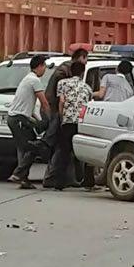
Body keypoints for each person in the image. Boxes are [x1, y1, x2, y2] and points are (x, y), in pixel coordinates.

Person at [42, 48, 89, 188]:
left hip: (64, 118)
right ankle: (81, 180)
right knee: (70, 150)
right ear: (81, 58)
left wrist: (63, 117)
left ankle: (61, 180)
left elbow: (61, 99)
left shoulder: (64, 76)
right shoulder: (80, 83)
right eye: (86, 59)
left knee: (63, 150)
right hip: (66, 117)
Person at [7, 55, 50, 189]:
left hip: (16, 118)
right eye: (45, 66)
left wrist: (37, 120)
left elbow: (28, 106)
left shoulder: (27, 79)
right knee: (33, 146)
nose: (45, 70)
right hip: (19, 119)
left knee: (24, 147)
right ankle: (19, 173)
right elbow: (44, 102)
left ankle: (23, 179)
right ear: (39, 66)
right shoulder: (34, 80)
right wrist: (49, 119)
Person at [55, 60, 93, 190]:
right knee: (83, 152)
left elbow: (61, 102)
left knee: (64, 152)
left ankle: (59, 182)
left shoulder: (62, 83)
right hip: (81, 123)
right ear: (83, 73)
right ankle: (88, 181)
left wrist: (61, 118)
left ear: (70, 72)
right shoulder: (87, 88)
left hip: (68, 121)